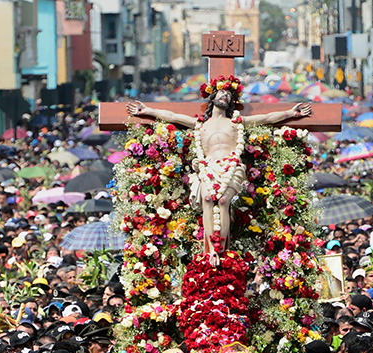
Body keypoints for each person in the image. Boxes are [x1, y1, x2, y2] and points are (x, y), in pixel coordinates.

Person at [126, 77, 312, 259]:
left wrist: (290, 113)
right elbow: (173, 116)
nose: (225, 97)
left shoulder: (236, 122)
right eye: (221, 93)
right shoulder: (200, 124)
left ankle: (221, 251)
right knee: (207, 199)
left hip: (231, 166)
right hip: (208, 167)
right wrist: (147, 110)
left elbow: (267, 118)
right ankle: (211, 252)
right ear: (212, 98)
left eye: (228, 96)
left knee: (222, 201)